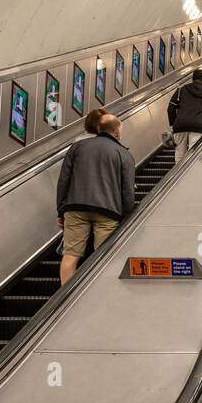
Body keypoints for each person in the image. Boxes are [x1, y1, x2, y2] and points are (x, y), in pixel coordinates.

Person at [56, 112, 135, 285]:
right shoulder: (124, 154)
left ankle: (64, 298)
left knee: (70, 256)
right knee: (104, 257)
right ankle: (99, 296)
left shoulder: (77, 147)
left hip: (75, 208)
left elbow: (63, 180)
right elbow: (128, 191)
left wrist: (61, 211)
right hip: (108, 212)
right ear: (117, 133)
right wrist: (127, 216)